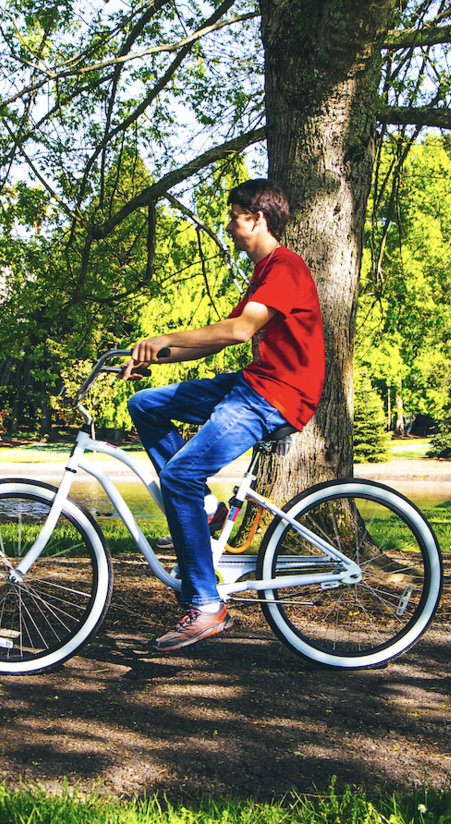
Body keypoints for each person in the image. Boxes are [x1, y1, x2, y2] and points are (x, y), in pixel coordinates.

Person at [125, 179, 324, 652]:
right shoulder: (266, 273)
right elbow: (218, 339)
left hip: (276, 395)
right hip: (253, 383)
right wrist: (157, 355)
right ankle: (209, 510)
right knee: (145, 405)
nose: (229, 226)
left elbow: (238, 331)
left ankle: (207, 605)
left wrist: (164, 335)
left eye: (235, 217)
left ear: (257, 219)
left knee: (178, 478)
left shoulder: (286, 266)